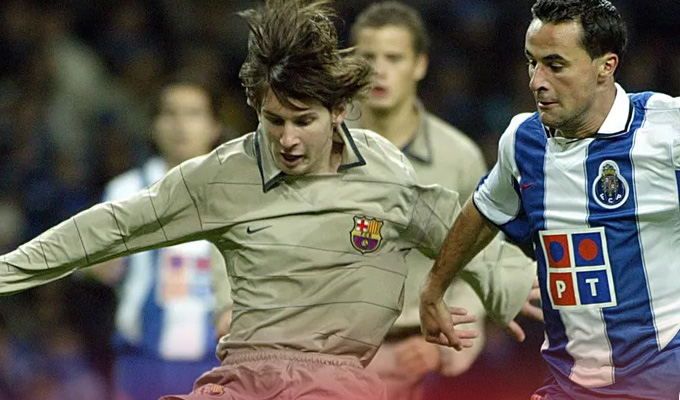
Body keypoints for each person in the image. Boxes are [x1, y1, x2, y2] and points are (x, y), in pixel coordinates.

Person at [0, 1, 534, 399]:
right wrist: (6, 271)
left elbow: (455, 226)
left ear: (339, 112)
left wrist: (507, 283)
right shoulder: (222, 174)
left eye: (304, 121)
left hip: (340, 381)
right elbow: (113, 225)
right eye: (274, 121)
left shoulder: (385, 172)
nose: (288, 139)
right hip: (241, 377)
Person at [420, 0, 680, 399]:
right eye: (532, 63)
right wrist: (434, 286)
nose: (536, 81)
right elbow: (485, 209)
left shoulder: (665, 129)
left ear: (605, 66)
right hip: (569, 383)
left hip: (664, 378)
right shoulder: (522, 140)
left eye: (555, 65)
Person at [348, 3, 536, 400]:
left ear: (419, 64)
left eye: (393, 58)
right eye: (368, 58)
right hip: (331, 354)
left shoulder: (459, 156)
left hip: (422, 354)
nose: (379, 70)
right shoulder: (322, 148)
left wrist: (452, 339)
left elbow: (478, 257)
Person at [84, 82, 228, 400]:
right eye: (170, 114)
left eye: (193, 114)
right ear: (154, 125)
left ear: (214, 125)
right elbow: (91, 262)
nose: (180, 125)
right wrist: (95, 265)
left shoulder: (237, 193)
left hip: (216, 362)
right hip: (140, 361)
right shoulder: (125, 192)